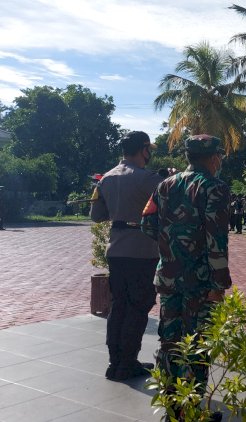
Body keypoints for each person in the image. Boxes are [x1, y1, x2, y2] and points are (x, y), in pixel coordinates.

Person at [141, 134, 230, 421]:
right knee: (197, 345)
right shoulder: (215, 187)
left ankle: (172, 411)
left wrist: (172, 246)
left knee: (170, 342)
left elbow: (147, 223)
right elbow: (216, 239)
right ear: (213, 157)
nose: (220, 161)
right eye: (220, 156)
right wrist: (219, 284)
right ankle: (190, 414)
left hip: (168, 277)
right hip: (200, 283)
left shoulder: (164, 185)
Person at [90, 131, 164, 381]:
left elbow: (96, 216)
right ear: (144, 150)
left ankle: (115, 362)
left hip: (116, 250)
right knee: (138, 307)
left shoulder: (106, 179)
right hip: (142, 251)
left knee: (119, 306)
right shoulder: (149, 178)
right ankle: (127, 363)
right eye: (149, 149)